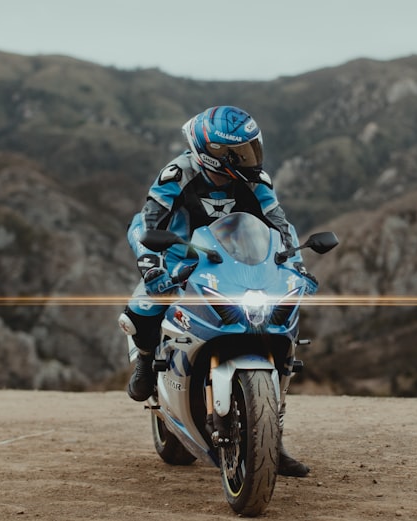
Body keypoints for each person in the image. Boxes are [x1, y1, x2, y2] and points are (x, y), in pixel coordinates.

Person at [119, 105, 314, 477]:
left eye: (251, 148)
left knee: (278, 318)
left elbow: (278, 222)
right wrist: (150, 262)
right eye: (240, 153)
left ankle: (272, 438)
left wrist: (296, 265)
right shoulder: (177, 174)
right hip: (179, 254)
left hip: (235, 260)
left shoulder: (256, 180)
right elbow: (148, 221)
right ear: (214, 154)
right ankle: (146, 357)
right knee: (142, 307)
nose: (250, 158)